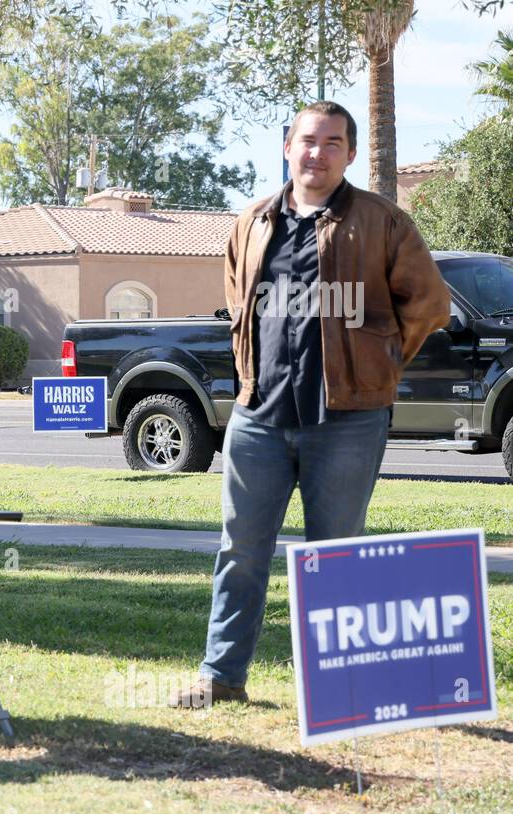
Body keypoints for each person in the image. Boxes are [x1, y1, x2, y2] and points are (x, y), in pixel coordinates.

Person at [169, 101, 451, 708]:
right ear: (287, 148)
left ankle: (338, 687)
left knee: (336, 555)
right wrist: (250, 374)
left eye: (331, 143)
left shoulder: (382, 222)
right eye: (306, 140)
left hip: (347, 419)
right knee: (240, 550)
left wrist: (379, 361)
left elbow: (428, 305)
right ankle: (220, 678)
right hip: (259, 416)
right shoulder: (250, 223)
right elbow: (239, 305)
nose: (316, 153)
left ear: (350, 154)